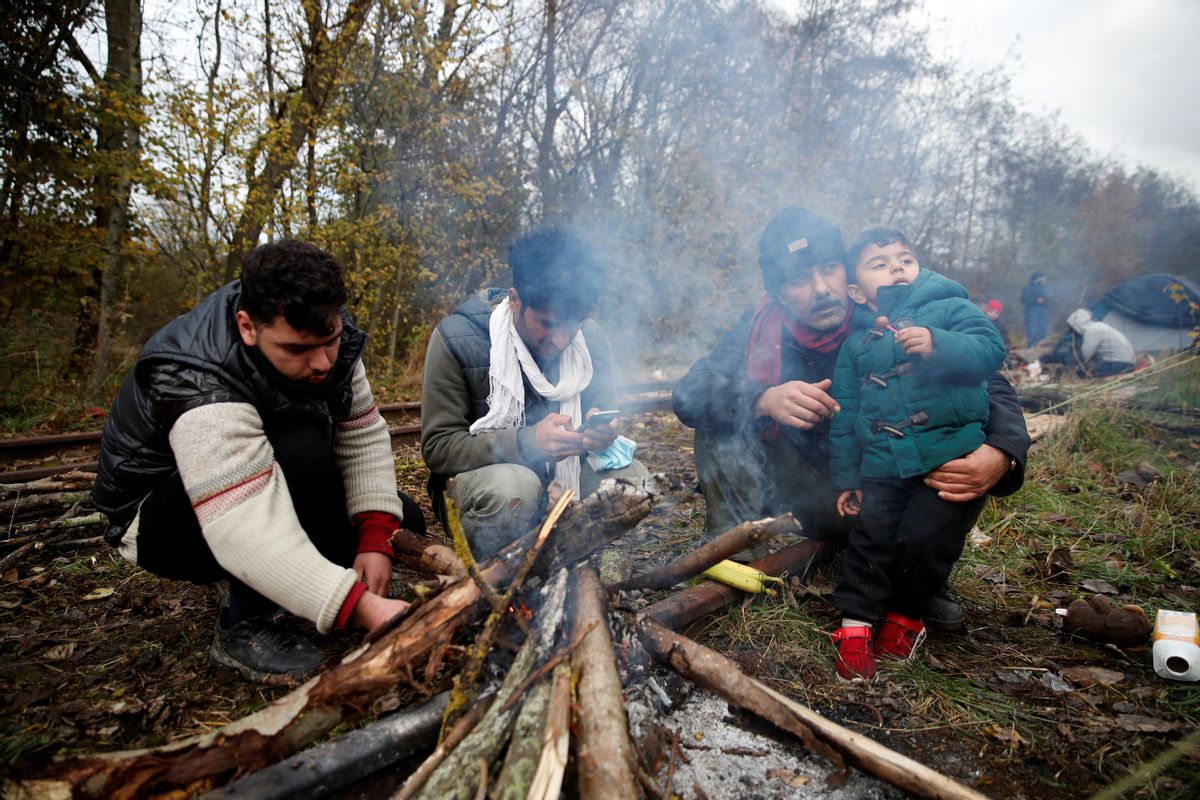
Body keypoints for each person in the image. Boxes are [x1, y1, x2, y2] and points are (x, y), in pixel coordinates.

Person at [671, 206, 1030, 630]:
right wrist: (764, 397)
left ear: (849, 275)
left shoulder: (888, 314)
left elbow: (989, 380)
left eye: (830, 270)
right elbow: (689, 391)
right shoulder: (760, 328)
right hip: (806, 493)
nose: (822, 289)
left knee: (951, 447)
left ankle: (913, 582)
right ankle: (735, 558)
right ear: (780, 293)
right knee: (718, 418)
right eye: (801, 279)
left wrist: (1003, 453)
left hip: (890, 493)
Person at [92, 240, 420, 684]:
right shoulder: (194, 377)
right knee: (300, 446)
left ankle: (303, 576)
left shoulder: (321, 330)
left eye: (331, 340)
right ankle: (246, 625)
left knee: (404, 517)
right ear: (247, 327)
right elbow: (241, 525)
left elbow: (360, 432)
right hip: (163, 520)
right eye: (297, 350)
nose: (323, 362)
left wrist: (375, 536)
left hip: (265, 482)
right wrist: (361, 608)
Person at [827, 228, 1007, 682]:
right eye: (880, 264)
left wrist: (938, 344)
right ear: (856, 291)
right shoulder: (856, 343)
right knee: (871, 539)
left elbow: (991, 349)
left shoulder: (950, 308)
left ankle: (907, 618)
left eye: (904, 259)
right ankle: (855, 626)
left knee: (926, 543)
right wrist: (848, 477)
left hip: (946, 460)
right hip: (883, 464)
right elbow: (845, 413)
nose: (896, 268)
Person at [421, 227, 649, 560]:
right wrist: (529, 443)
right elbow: (439, 449)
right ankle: (499, 575)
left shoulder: (590, 340)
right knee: (515, 488)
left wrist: (600, 432)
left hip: (567, 483)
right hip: (489, 493)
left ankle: (587, 563)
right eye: (548, 324)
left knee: (634, 482)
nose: (562, 340)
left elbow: (604, 415)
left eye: (574, 323)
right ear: (515, 300)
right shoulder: (458, 339)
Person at [1065, 308, 1136, 377]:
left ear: (1077, 324)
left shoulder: (1092, 330)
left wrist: (1071, 363)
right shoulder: (1099, 326)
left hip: (1118, 364)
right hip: (1127, 363)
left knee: (1086, 374)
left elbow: (1085, 355)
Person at [1021, 272, 1050, 347]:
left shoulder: (1043, 288)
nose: (1044, 281)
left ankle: (1040, 344)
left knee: (1042, 329)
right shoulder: (1028, 288)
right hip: (1031, 311)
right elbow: (1023, 299)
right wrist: (1036, 300)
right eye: (1042, 279)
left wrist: (1046, 300)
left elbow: (1047, 298)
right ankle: (1031, 345)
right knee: (1033, 329)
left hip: (1042, 311)